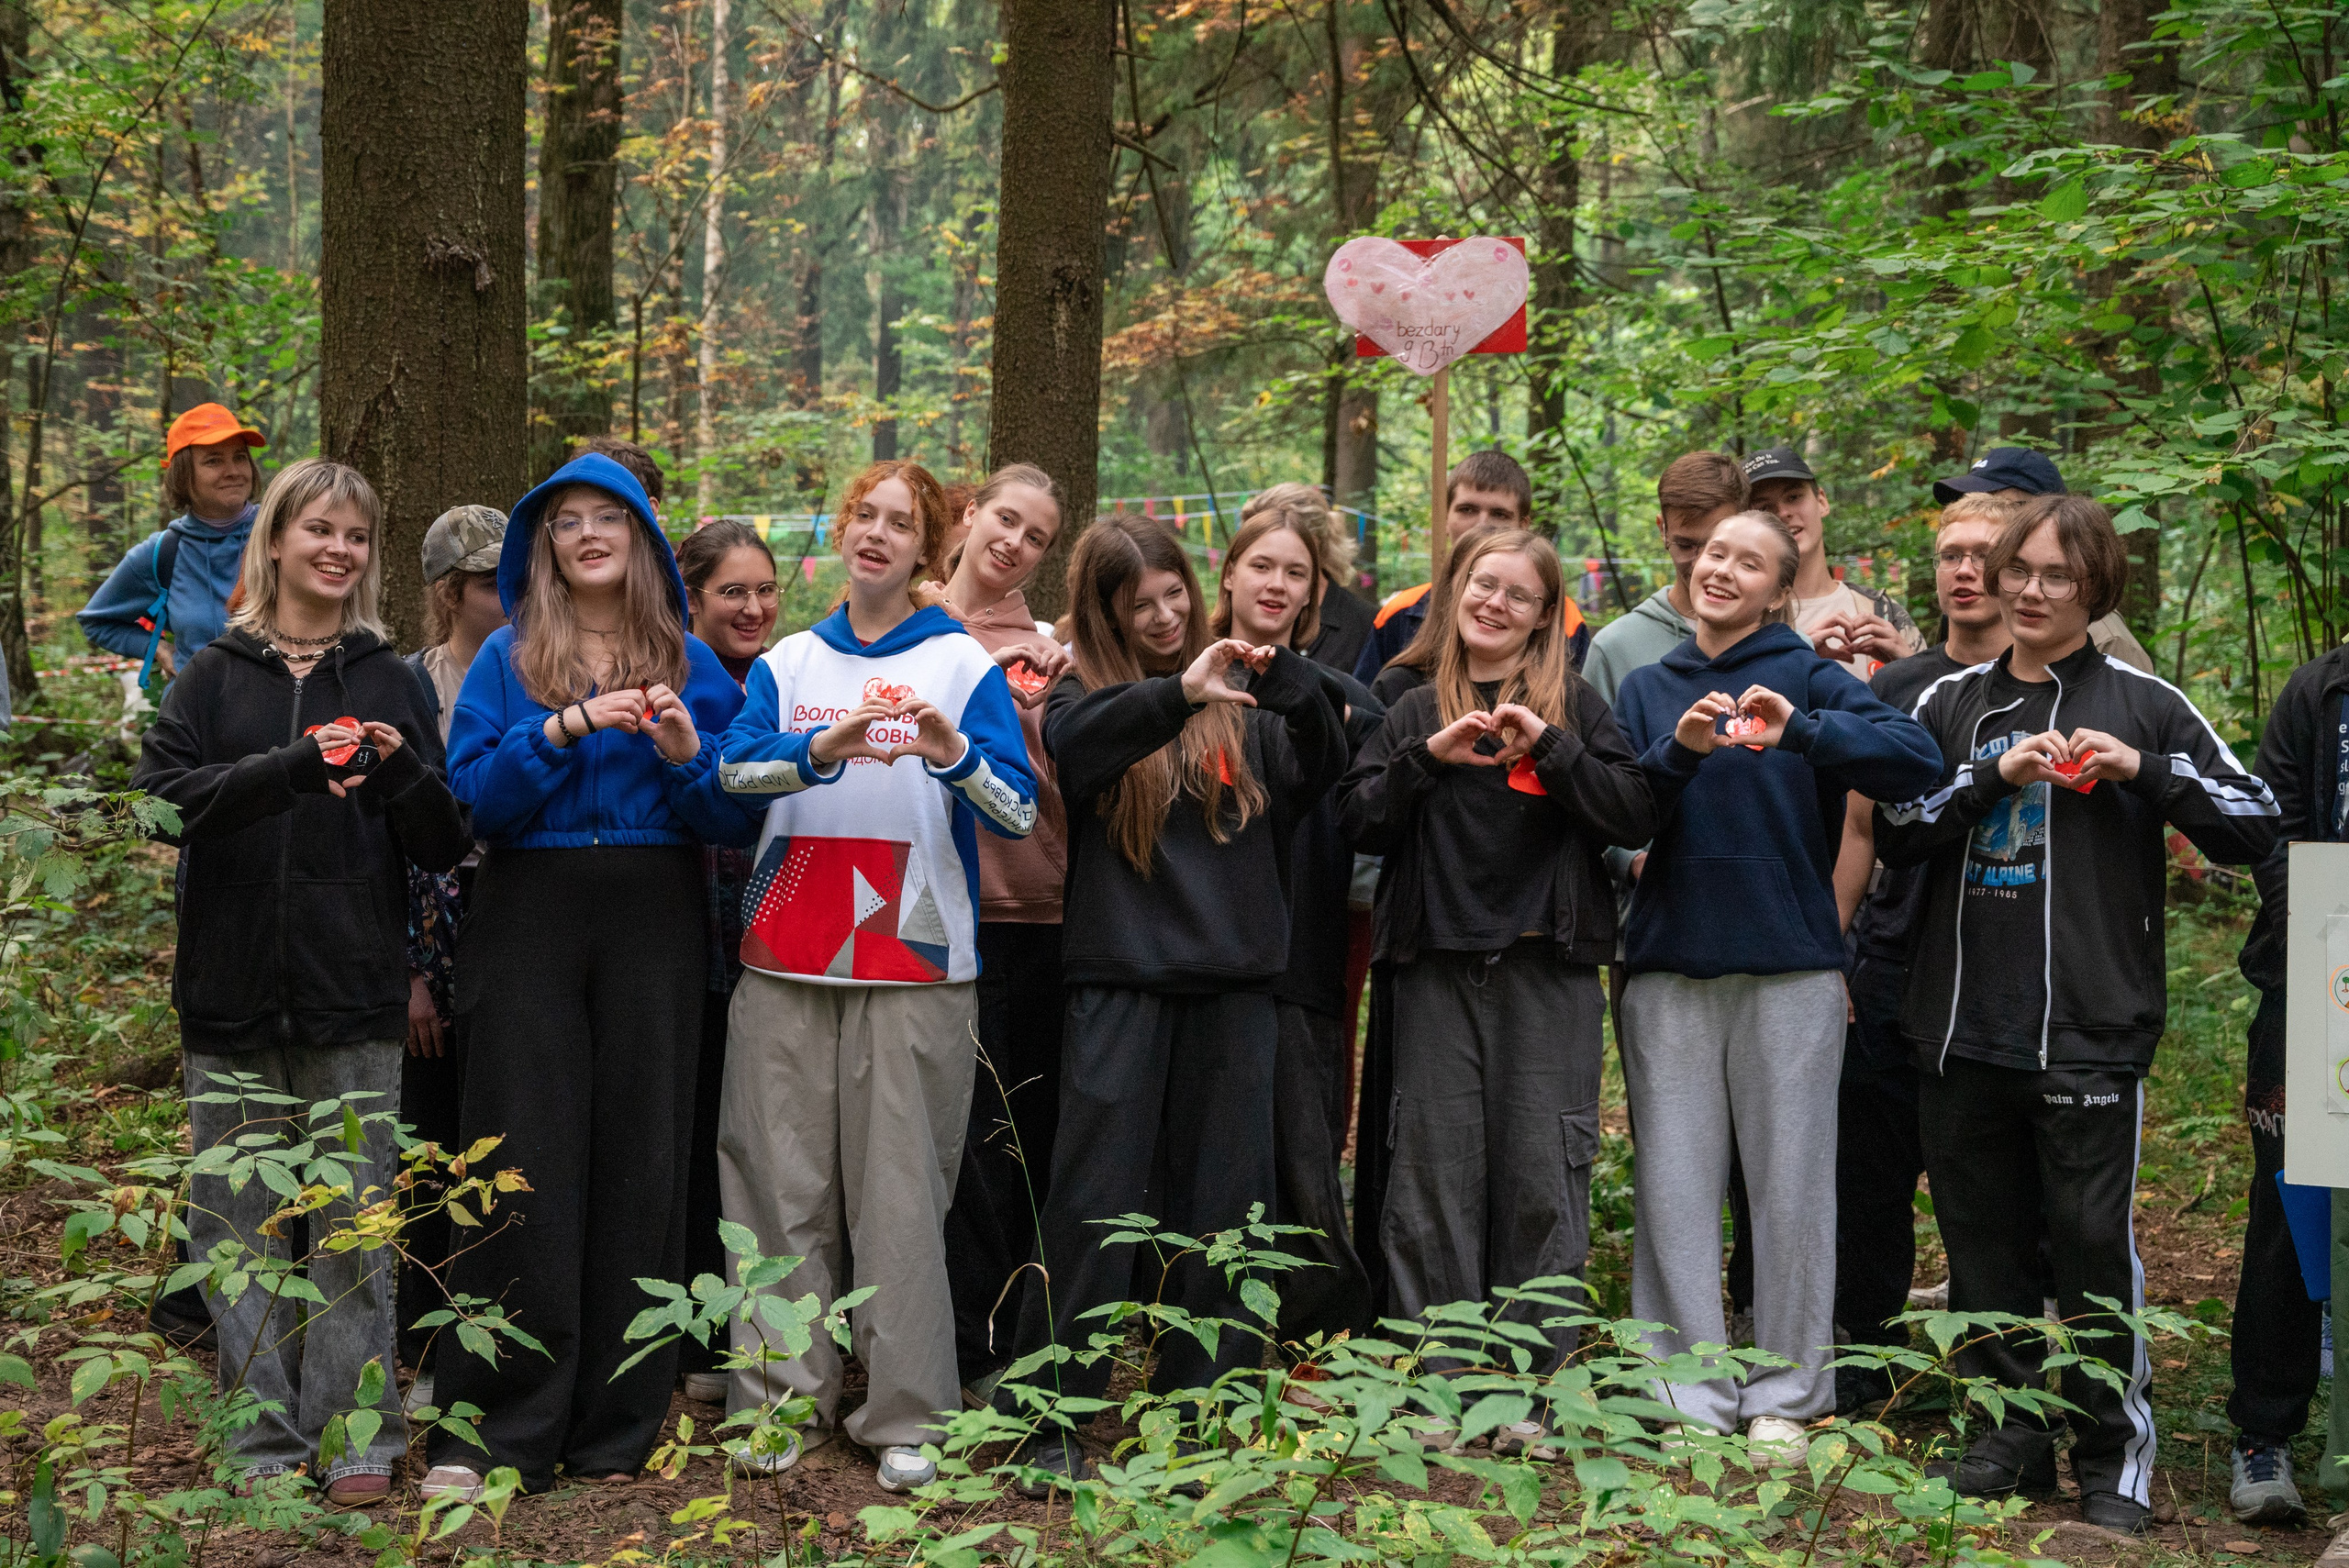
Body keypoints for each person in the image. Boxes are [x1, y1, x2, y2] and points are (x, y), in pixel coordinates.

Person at [1876, 494, 2278, 1534]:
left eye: (2057, 575)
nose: (2030, 590)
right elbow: (1896, 825)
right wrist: (1986, 776)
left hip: (2091, 1023)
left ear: (2094, 586)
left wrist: (2144, 771)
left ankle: (2113, 1456)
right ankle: (2006, 1437)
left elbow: (2255, 820)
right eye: (2019, 571)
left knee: (2092, 1245)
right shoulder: (1949, 702)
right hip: (1962, 1021)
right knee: (1981, 1247)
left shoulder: (2142, 700)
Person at [134, 458, 467, 1507]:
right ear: (275, 539)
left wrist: (400, 764)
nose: (338, 549)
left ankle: (358, 1430)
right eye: (318, 529)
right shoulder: (215, 670)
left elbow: (446, 837)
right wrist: (285, 770)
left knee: (355, 1217)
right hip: (228, 995)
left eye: (356, 537)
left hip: (352, 989)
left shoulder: (386, 675)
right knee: (236, 1223)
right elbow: (160, 801)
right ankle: (259, 1437)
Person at [422, 451, 751, 1500]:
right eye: (568, 520)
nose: (590, 532)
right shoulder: (509, 655)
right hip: (530, 916)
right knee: (524, 1162)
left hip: (653, 917)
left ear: (644, 535)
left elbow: (732, 810)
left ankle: (615, 1425)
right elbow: (473, 799)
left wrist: (683, 749)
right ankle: (493, 1430)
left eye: (611, 515)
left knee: (639, 1160)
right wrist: (560, 727)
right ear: (545, 545)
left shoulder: (690, 655)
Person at [996, 516, 1345, 1493]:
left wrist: (1298, 691)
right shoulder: (1083, 692)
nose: (1163, 614)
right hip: (1122, 984)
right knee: (1090, 1209)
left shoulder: (1243, 697)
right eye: (1138, 602)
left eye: (1173, 595)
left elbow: (1319, 773)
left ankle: (1213, 1417)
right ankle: (1049, 1419)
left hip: (1236, 989)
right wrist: (1175, 692)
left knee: (1226, 1212)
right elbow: (1074, 745)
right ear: (1105, 610)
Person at [711, 460, 1038, 1493]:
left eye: (902, 523)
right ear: (841, 530)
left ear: (928, 548)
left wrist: (949, 754)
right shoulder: (792, 659)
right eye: (865, 515)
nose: (878, 534)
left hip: (917, 958)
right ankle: (775, 1397)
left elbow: (1018, 810)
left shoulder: (961, 664)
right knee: (777, 1182)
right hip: (787, 947)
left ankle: (905, 1411)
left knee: (902, 1192)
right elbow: (730, 771)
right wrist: (818, 750)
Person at [1614, 510, 1941, 1465]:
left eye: (1748, 561)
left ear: (1777, 587)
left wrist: (1803, 729)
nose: (1722, 569)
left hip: (1793, 966)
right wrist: (1676, 753)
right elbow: (1614, 803)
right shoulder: (1644, 684)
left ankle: (1788, 1394)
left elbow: (1914, 760)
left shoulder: (1800, 673)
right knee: (1671, 1189)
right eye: (1715, 552)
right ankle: (1685, 1388)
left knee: (1793, 1189)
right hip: (1668, 966)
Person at [1339, 528, 1653, 1451]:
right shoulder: (1405, 701)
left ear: (1547, 614)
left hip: (1542, 968)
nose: (1495, 604)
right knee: (1433, 1176)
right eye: (1483, 584)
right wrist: (1428, 754)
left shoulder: (1578, 704)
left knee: (1539, 1176)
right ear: (1454, 588)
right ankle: (1443, 1388)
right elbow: (1356, 818)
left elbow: (1633, 812)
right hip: (1435, 967)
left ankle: (1532, 1391)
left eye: (1520, 594)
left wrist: (1550, 748)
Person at [1826, 492, 2015, 1415]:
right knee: (1866, 1181)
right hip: (1891, 964)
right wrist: (1835, 949)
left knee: (1985, 1195)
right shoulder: (1896, 690)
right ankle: (1859, 1370)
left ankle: (1985, 1383)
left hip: (1997, 977)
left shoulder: (2043, 689)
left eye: (1984, 553)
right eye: (1949, 553)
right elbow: (1857, 829)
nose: (1964, 570)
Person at [1211, 500, 1383, 1344]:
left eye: (1296, 573)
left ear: (1316, 593)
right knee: (1223, 1154)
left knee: (1304, 1146)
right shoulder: (1185, 679)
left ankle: (1319, 1330)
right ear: (1230, 573)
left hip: (1303, 938)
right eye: (1263, 566)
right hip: (1204, 946)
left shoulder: (1343, 698)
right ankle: (1219, 1326)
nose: (1276, 584)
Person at [929, 464, 1075, 1407]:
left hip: (1040, 914)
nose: (1015, 542)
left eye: (1037, 536)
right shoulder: (901, 627)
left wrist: (1070, 685)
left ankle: (1024, 1340)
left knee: (1027, 1135)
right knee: (955, 1142)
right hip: (932, 917)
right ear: (969, 513)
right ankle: (956, 1343)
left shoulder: (1052, 648)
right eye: (1006, 519)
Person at [2229, 638, 2349, 1524]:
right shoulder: (2321, 689)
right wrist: (2320, 924)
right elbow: (2273, 823)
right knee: (2294, 1210)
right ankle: (2265, 1434)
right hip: (2318, 976)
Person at [395, 503, 509, 1401]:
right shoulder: (409, 684)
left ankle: (498, 1329)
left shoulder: (530, 672)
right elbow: (384, 843)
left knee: (500, 1143)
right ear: (448, 591)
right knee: (428, 1149)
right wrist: (411, 977)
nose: (506, 594)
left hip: (513, 937)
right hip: (429, 945)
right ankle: (424, 1346)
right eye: (486, 581)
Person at [672, 518, 780, 1404]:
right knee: (699, 1133)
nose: (752, 607)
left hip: (777, 943)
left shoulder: (791, 682)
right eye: (731, 592)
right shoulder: (680, 679)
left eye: (764, 590)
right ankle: (698, 1336)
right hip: (693, 937)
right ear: (693, 597)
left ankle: (759, 1327)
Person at [1353, 451, 1588, 684]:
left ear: (1523, 526)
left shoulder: (1564, 619)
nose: (1482, 524)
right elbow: (1369, 712)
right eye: (1467, 510)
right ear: (1445, 518)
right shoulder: (1401, 611)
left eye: (1499, 514)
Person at [80, 403, 267, 683]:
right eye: (214, 460)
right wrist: (157, 648)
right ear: (182, 474)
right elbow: (97, 621)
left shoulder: (281, 533)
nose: (233, 471)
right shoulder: (163, 552)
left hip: (277, 713)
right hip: (193, 716)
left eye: (239, 457)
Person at [1931, 446, 2157, 673]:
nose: (1973, 517)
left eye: (1993, 506)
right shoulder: (1964, 617)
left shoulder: (2104, 636)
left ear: (2043, 512)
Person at [1741, 446, 1924, 679]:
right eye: (1765, 507)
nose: (1783, 512)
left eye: (1794, 497)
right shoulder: (1740, 617)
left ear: (1822, 501)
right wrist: (1796, 659)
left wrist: (1909, 667)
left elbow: (1934, 708)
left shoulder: (1883, 612)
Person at [1583, 451, 1748, 707]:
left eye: (1716, 548)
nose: (1700, 564)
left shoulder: (1786, 643)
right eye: (1686, 545)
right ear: (1663, 530)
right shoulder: (1614, 649)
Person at [1234, 484, 1375, 675]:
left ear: (1315, 543)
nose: (1276, 584)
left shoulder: (1367, 626)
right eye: (1261, 566)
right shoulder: (1213, 647)